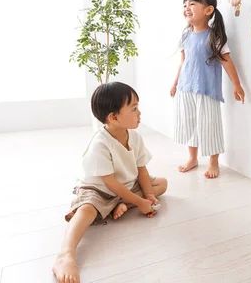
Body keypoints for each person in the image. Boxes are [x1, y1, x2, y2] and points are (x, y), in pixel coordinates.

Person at [53, 82, 168, 283]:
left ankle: (120, 204)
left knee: (162, 184)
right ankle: (66, 254)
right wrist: (140, 203)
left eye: (137, 107)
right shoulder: (101, 144)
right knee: (87, 210)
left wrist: (148, 194)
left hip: (127, 184)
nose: (139, 113)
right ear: (114, 117)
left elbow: (141, 169)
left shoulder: (135, 137)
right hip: (100, 188)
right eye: (133, 109)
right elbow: (110, 184)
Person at [170, 0, 245, 179]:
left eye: (192, 4)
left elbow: (226, 61)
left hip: (207, 89)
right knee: (189, 123)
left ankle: (213, 162)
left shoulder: (214, 36)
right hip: (185, 88)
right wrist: (175, 83)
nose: (187, 8)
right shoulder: (185, 35)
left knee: (210, 125)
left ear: (208, 10)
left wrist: (236, 84)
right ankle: (193, 158)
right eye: (185, 5)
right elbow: (183, 62)